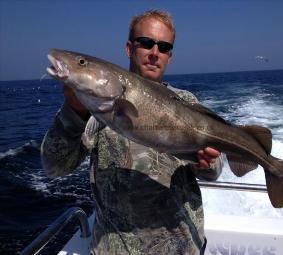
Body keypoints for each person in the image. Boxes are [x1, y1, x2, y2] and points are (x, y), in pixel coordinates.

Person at [41, 9, 223, 255]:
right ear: (129, 48)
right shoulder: (90, 109)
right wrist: (74, 113)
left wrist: (207, 164)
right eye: (146, 43)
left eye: (164, 47)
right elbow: (55, 168)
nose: (154, 53)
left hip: (184, 248)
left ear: (170, 55)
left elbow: (215, 170)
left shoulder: (187, 102)